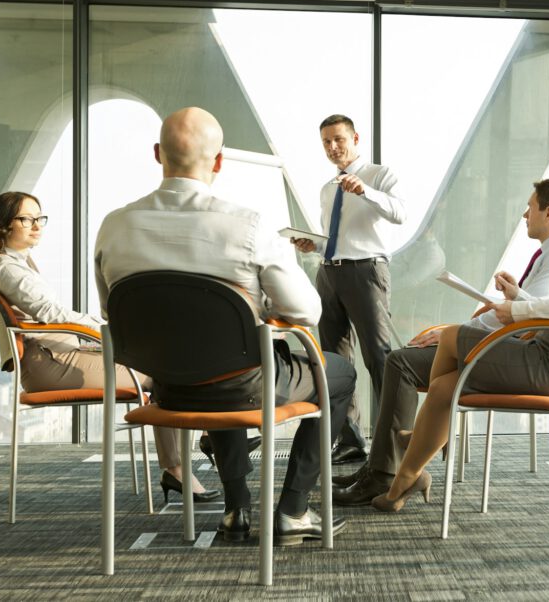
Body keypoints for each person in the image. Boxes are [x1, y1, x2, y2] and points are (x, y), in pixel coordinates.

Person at [94, 107, 357, 544]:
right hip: (243, 384)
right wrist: (257, 302)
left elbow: (112, 312)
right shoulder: (248, 226)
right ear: (218, 162)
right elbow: (307, 312)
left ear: (158, 155)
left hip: (168, 390)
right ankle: (293, 509)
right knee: (337, 373)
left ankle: (237, 510)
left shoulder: (113, 227)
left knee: (216, 355)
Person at [372, 155, 549, 512]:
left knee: (450, 338)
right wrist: (519, 298)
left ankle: (424, 441)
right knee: (446, 386)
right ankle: (410, 473)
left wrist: (519, 310)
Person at [333, 177, 549, 505]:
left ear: (548, 214)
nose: (524, 215)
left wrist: (458, 330)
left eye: (530, 208)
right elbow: (528, 306)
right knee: (411, 356)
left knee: (401, 361)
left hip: (512, 351)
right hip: (507, 343)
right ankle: (394, 463)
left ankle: (389, 470)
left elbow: (527, 315)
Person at [0, 191, 216, 504]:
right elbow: (52, 315)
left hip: (58, 355)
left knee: (163, 363)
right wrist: (108, 327)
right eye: (26, 218)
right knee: (164, 374)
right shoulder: (9, 269)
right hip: (52, 364)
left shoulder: (15, 263)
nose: (36, 225)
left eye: (39, 218)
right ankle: (191, 454)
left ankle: (196, 447)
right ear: (3, 225)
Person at [290, 114, 406, 465]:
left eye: (338, 139)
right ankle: (351, 439)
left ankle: (396, 441)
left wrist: (365, 191)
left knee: (379, 357)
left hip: (366, 272)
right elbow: (336, 238)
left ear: (355, 138)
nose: (332, 147)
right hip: (329, 273)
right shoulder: (328, 189)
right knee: (334, 360)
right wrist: (315, 246)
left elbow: (399, 213)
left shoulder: (379, 175)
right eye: (326, 142)